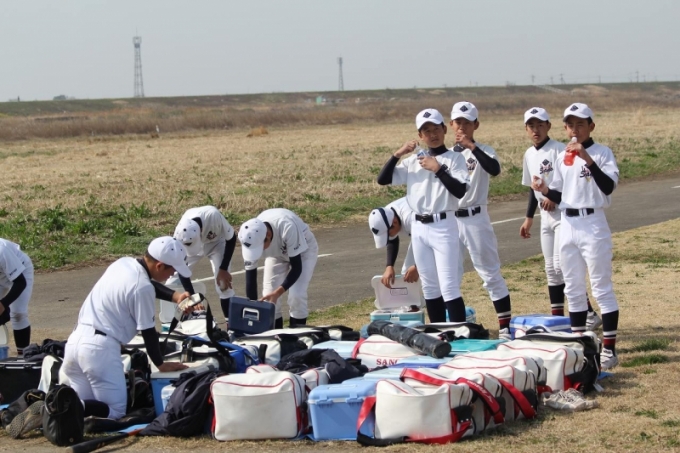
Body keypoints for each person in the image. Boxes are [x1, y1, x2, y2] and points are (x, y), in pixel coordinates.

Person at [531, 102, 620, 370]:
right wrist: (545, 190)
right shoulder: (562, 157)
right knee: (573, 288)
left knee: (601, 287)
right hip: (568, 222)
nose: (575, 129)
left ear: (591, 126)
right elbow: (560, 195)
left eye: (580, 124)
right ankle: (580, 347)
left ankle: (609, 350)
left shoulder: (602, 153)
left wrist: (587, 159)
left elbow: (608, 186)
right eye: (570, 124)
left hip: (592, 222)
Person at [62, 237, 191, 419]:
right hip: (99, 350)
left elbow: (144, 283)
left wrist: (175, 296)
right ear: (160, 265)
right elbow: (148, 331)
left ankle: (56, 406)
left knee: (83, 412)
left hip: (74, 343)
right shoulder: (143, 287)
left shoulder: (123, 263)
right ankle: (60, 406)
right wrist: (160, 364)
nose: (172, 275)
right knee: (115, 411)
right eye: (172, 270)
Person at [377, 108, 470, 323]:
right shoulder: (413, 162)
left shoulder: (455, 158)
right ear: (420, 135)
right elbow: (383, 179)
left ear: (444, 129)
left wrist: (438, 169)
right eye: (426, 131)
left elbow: (459, 191)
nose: (432, 134)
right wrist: (397, 154)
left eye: (436, 129)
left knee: (448, 285)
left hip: (443, 225)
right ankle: (437, 331)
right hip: (419, 227)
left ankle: (459, 332)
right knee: (429, 286)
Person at [520, 107, 602, 328]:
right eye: (531, 126)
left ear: (549, 126)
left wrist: (553, 198)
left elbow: (570, 182)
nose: (536, 130)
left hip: (562, 215)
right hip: (545, 216)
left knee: (561, 267)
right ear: (526, 129)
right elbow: (533, 187)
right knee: (551, 270)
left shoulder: (559, 149)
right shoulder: (529, 154)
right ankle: (557, 321)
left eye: (540, 125)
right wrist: (529, 216)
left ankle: (589, 314)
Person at [449, 101, 512, 338]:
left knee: (490, 273)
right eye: (458, 122)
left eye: (467, 122)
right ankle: (453, 327)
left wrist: (471, 147)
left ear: (476, 125)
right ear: (451, 124)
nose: (462, 127)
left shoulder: (484, 150)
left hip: (475, 218)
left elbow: (494, 169)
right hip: (451, 220)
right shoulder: (445, 155)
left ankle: (505, 328)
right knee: (449, 276)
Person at [238, 208, 318, 329]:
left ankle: (296, 336)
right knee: (268, 298)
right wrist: (253, 309)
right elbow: (250, 279)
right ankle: (276, 337)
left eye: (260, 248)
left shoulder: (287, 226)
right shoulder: (250, 236)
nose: (259, 252)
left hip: (304, 251)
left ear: (268, 235)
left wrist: (278, 292)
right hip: (277, 254)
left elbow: (297, 268)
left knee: (296, 295)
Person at [167, 206, 236, 319]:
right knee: (172, 282)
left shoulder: (213, 216)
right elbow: (181, 268)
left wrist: (223, 268)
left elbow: (231, 238)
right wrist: (193, 299)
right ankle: (171, 322)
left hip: (216, 244)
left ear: (201, 231)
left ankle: (231, 324)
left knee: (223, 285)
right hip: (193, 247)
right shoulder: (179, 234)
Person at [368, 197, 418, 288]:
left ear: (394, 222)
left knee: (431, 271)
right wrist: (389, 266)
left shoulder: (410, 219)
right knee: (407, 273)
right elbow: (392, 240)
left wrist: (418, 267)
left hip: (441, 232)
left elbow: (431, 242)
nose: (389, 237)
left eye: (388, 234)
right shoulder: (387, 214)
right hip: (423, 236)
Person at [0, 238, 34, 356]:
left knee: (18, 313)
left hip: (21, 271)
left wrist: (3, 304)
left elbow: (20, 283)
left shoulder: (2, 250)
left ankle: (23, 357)